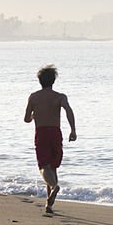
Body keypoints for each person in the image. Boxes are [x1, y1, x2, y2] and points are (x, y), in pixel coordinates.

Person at [24, 65, 77, 213]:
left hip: (41, 132)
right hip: (55, 132)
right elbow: (68, 110)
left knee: (43, 166)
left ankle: (54, 187)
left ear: (39, 81)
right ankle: (49, 204)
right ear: (53, 81)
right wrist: (73, 129)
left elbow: (26, 119)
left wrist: (34, 116)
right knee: (52, 167)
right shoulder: (60, 96)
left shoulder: (34, 97)